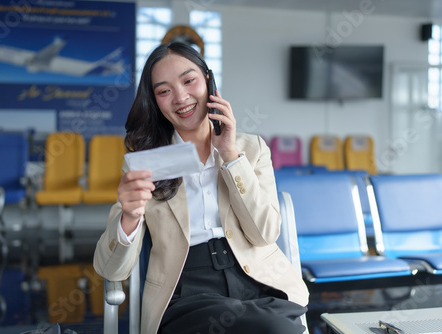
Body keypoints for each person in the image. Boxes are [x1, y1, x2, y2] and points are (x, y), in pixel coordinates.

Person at [94, 42, 309, 334]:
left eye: (188, 80)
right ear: (155, 100)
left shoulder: (251, 148)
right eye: (164, 90)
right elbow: (111, 270)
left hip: (258, 281)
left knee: (268, 324)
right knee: (272, 329)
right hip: (188, 290)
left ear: (207, 80)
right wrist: (129, 217)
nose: (180, 97)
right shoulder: (147, 163)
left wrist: (231, 157)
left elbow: (264, 234)